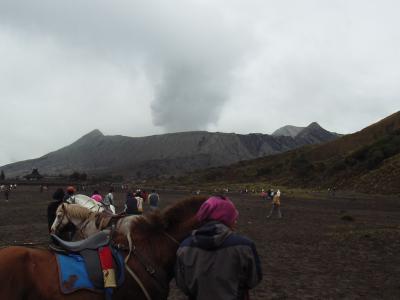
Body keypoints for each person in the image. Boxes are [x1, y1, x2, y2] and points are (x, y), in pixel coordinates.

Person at [175, 195, 262, 300]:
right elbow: (253, 280)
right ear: (227, 218)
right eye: (233, 218)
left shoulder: (184, 247)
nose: (235, 222)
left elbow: (182, 284)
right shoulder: (245, 246)